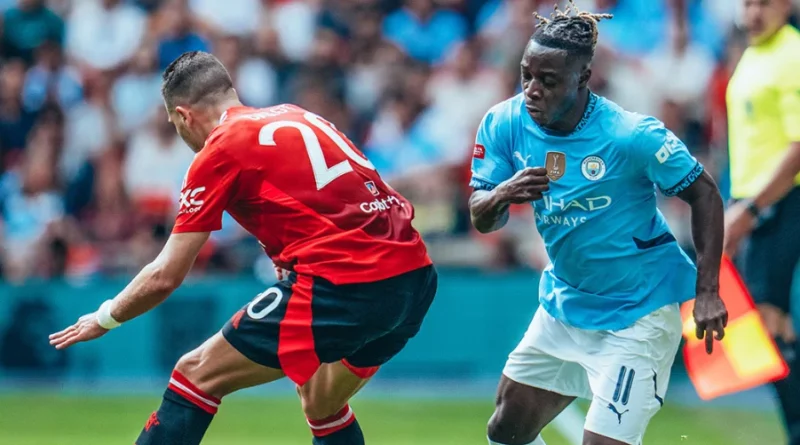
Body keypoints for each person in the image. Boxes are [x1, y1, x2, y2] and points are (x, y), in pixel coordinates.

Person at [48, 51, 437, 445]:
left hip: (346, 282)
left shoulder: (220, 148)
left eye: (175, 124)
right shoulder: (296, 115)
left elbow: (166, 274)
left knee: (195, 373)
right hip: (415, 277)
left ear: (184, 116)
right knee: (322, 401)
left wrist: (106, 316)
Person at [468, 2, 728, 445]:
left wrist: (707, 291)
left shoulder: (631, 135)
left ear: (583, 78)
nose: (532, 90)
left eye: (548, 81)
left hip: (638, 314)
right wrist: (501, 194)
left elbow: (703, 193)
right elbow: (481, 216)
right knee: (505, 431)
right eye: (526, 75)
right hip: (565, 304)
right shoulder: (504, 122)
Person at [724, 1, 800, 443]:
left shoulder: (791, 55)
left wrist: (749, 211)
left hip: (781, 201)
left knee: (765, 330)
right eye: (747, 3)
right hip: (754, 203)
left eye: (764, 3)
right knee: (770, 331)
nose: (753, 13)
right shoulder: (754, 52)